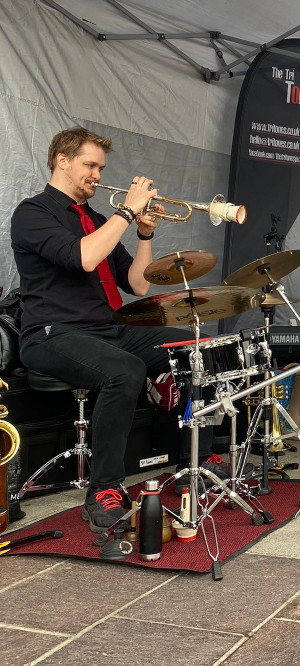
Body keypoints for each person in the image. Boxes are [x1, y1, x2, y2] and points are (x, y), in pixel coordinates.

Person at [10, 127, 222, 533]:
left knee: (201, 345)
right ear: (62, 160)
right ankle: (103, 490)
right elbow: (83, 258)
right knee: (124, 370)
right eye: (90, 165)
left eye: (100, 167)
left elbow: (140, 284)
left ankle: (195, 462)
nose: (96, 174)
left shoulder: (96, 218)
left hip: (107, 329)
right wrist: (126, 213)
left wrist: (144, 232)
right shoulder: (33, 212)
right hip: (51, 334)